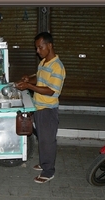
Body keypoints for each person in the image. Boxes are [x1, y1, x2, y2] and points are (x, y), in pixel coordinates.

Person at [15, 32, 66, 183]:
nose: (37, 51)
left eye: (40, 47)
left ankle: (48, 171)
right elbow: (39, 77)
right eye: (37, 48)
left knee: (47, 140)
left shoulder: (57, 67)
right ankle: (45, 162)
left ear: (49, 46)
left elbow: (52, 91)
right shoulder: (44, 62)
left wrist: (29, 86)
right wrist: (29, 79)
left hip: (48, 109)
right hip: (39, 107)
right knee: (42, 138)